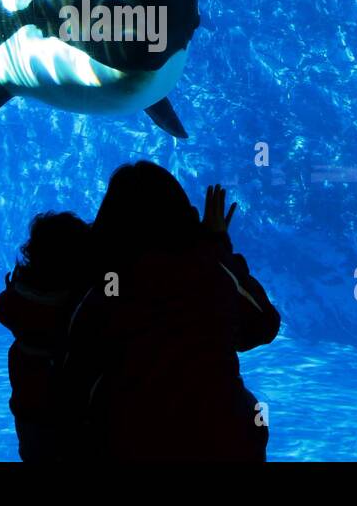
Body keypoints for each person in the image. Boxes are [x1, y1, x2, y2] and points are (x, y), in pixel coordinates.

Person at [62, 161, 281, 461]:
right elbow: (263, 325)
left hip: (132, 447)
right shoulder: (211, 272)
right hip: (226, 444)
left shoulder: (100, 293)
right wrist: (217, 246)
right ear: (183, 216)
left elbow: (75, 382)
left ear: (108, 225)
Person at [0, 210, 93, 462]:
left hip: (29, 420)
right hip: (72, 423)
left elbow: (4, 305)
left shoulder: (15, 302)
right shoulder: (79, 309)